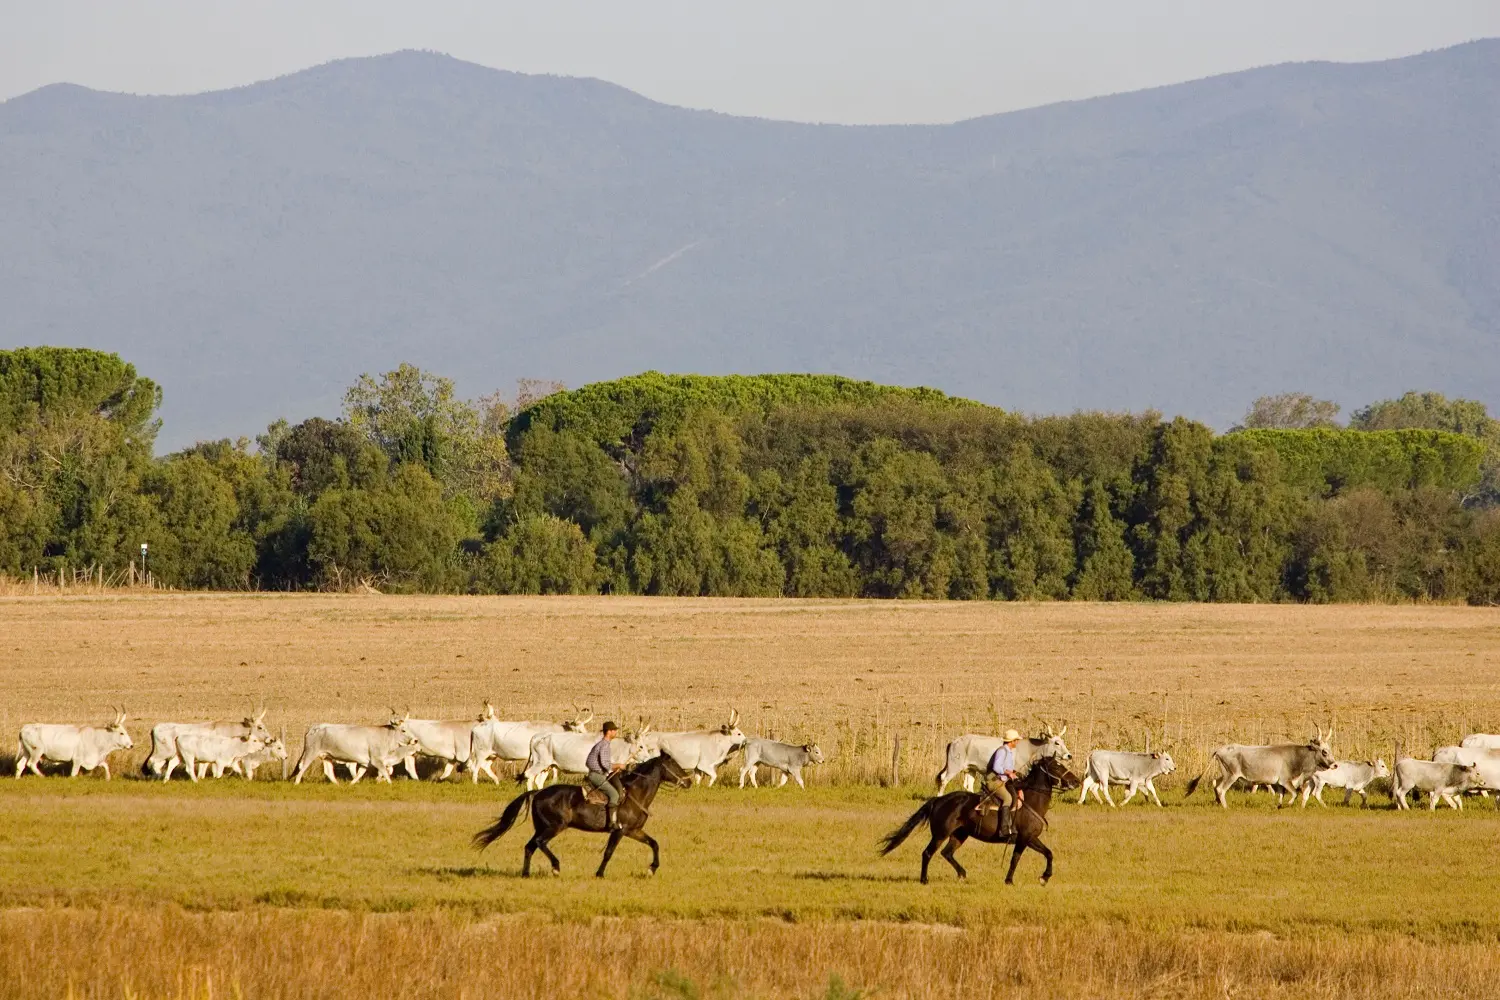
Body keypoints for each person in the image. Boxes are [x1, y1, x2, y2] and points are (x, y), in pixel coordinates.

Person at [585, 721, 624, 830]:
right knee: (615, 795)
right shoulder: (604, 745)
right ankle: (612, 823)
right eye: (614, 730)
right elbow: (605, 764)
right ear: (609, 732)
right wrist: (619, 766)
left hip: (597, 774)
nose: (616, 732)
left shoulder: (603, 744)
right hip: (597, 776)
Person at [984, 729, 1024, 835]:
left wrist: (1013, 773)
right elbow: (996, 767)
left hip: (1002, 780)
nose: (1017, 742)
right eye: (1016, 740)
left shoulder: (1009, 751)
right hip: (994, 781)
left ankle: (1012, 825)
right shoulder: (1002, 751)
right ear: (1012, 741)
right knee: (1008, 798)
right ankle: (1004, 829)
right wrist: (1008, 773)